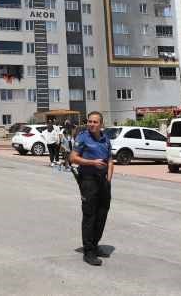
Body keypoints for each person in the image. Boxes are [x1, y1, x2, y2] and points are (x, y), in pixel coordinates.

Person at [70, 111, 114, 266]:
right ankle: (88, 251)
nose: (91, 124)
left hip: (103, 182)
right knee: (90, 215)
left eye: (95, 122)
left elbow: (110, 160)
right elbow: (73, 157)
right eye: (89, 121)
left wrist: (108, 179)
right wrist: (92, 163)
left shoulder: (105, 139)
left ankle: (95, 245)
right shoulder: (83, 137)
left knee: (102, 213)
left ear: (101, 124)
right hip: (88, 181)